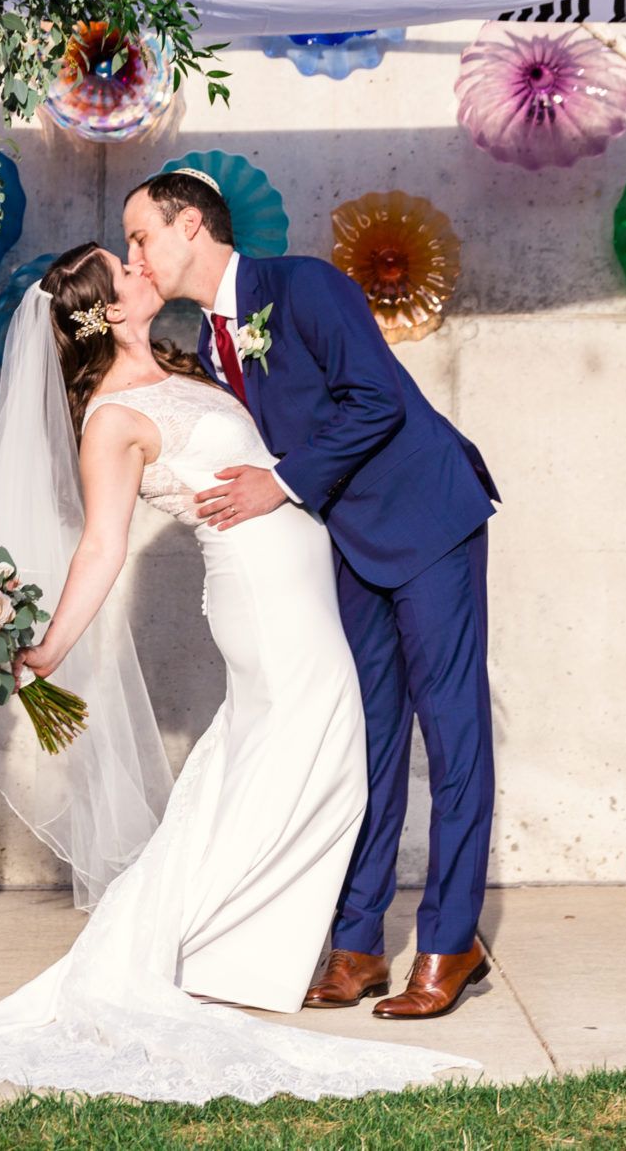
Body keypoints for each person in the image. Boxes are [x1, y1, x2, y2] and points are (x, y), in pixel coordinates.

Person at [0, 241, 476, 1104]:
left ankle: (215, 946)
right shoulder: (110, 419)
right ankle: (211, 948)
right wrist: (40, 650)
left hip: (303, 586)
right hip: (265, 601)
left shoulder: (180, 363)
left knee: (258, 768)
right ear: (105, 311)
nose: (139, 269)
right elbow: (101, 544)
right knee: (326, 769)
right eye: (122, 271)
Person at [121, 169, 501, 1021]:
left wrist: (282, 485)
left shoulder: (304, 285)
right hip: (346, 544)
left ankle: (449, 940)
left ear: (190, 226)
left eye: (141, 234)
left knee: (452, 735)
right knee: (365, 739)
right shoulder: (210, 337)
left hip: (427, 522)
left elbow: (377, 402)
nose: (136, 253)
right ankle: (358, 942)